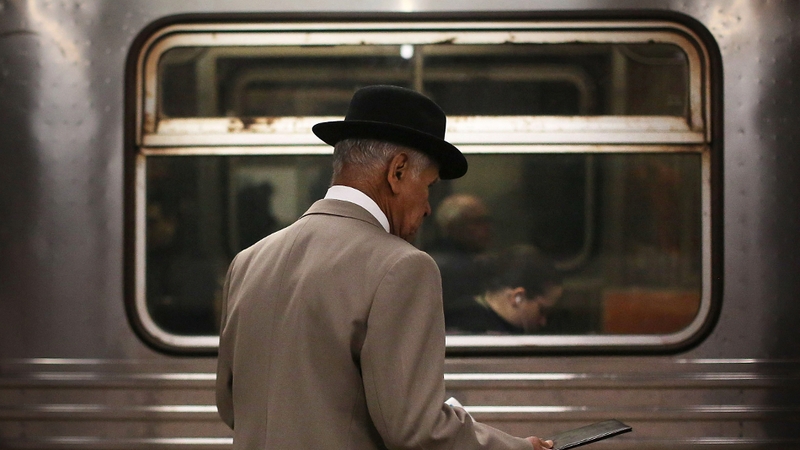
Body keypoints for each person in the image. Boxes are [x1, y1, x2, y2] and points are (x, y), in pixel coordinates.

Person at [216, 85, 553, 450]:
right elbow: (417, 430)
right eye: (429, 187)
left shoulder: (249, 261)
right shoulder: (402, 266)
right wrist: (519, 448)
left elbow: (230, 404)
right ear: (398, 171)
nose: (427, 208)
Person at [446, 246, 563, 335]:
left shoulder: (464, 309)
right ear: (517, 297)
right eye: (542, 311)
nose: (544, 322)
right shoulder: (473, 329)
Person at [427, 194, 493, 324]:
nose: (487, 228)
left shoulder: (478, 262)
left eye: (488, 221)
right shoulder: (442, 267)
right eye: (478, 222)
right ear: (453, 226)